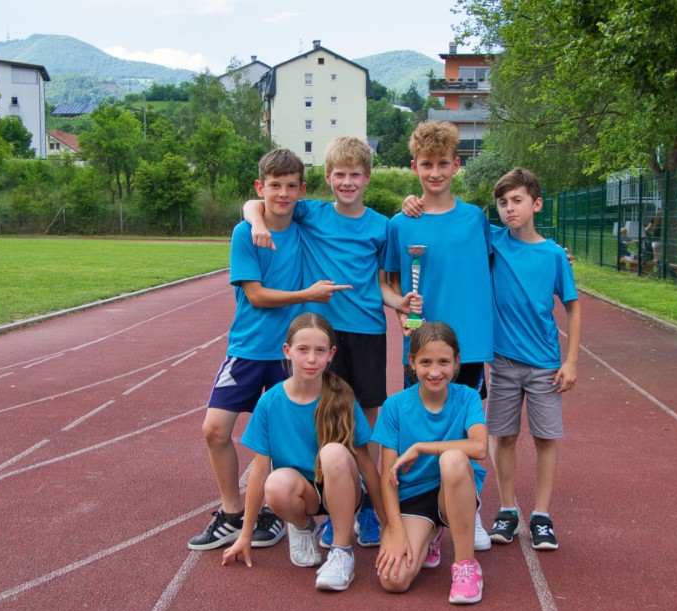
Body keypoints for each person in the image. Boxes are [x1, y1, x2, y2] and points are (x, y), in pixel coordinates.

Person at [243, 137, 415, 551]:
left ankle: (370, 507)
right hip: (327, 335)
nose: (347, 181)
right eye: (339, 174)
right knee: (327, 420)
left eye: (355, 174)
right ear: (326, 178)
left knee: (365, 423)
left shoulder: (382, 226)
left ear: (368, 178)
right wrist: (257, 223)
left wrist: (400, 305)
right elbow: (258, 203)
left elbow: (384, 283)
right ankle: (331, 503)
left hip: (370, 331)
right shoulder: (311, 212)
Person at [189, 149, 350, 552]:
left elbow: (348, 202)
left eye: (290, 186)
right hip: (247, 348)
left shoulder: (304, 221)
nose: (283, 193)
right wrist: (307, 293)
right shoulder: (246, 233)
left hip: (290, 354)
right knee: (214, 430)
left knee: (293, 437)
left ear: (302, 189)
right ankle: (231, 512)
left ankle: (287, 514)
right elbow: (256, 296)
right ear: (261, 187)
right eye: (274, 186)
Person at [385, 120, 494, 551]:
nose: (435, 173)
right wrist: (399, 311)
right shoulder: (401, 223)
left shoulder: (476, 219)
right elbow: (391, 284)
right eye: (427, 165)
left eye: (443, 164)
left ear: (457, 165)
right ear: (414, 166)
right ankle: (424, 517)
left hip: (467, 347)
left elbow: (508, 247)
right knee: (418, 428)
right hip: (422, 348)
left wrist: (552, 249)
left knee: (468, 432)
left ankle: (472, 508)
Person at [221, 313, 386, 592]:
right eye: (303, 350)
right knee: (275, 483)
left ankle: (341, 552)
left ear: (331, 354)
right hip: (302, 493)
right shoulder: (270, 402)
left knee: (333, 453)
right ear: (287, 351)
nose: (311, 359)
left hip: (342, 487)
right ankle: (303, 527)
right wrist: (245, 535)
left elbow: (368, 466)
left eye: (320, 351)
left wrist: (389, 526)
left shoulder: (342, 396)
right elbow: (260, 470)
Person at [484, 169, 582, 550]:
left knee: (545, 438)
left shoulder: (555, 255)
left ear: (536, 204)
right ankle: (507, 510)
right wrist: (414, 203)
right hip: (503, 362)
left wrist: (571, 361)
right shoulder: (492, 242)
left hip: (545, 363)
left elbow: (572, 308)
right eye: (503, 203)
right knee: (504, 436)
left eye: (518, 201)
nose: (510, 209)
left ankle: (541, 515)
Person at [372, 322, 489, 604]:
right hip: (413, 498)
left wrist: (422, 447)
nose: (435, 371)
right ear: (411, 362)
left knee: (452, 459)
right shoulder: (395, 406)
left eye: (443, 362)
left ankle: (466, 566)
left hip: (453, 491)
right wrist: (394, 529)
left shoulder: (468, 397)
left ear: (457, 362)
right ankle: (431, 532)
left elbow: (480, 447)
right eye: (425, 362)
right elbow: (387, 476)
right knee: (393, 580)